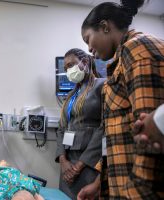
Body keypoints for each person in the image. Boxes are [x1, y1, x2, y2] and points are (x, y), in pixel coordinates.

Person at [79, 0, 164, 199]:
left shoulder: (137, 49)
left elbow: (149, 139)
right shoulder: (119, 62)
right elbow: (116, 136)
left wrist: (135, 193)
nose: (89, 49)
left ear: (104, 27)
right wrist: (98, 183)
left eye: (87, 39)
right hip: (121, 184)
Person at [55, 48, 105, 199]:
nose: (69, 70)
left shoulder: (102, 86)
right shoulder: (70, 96)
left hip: (90, 163)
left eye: (71, 65)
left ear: (85, 62)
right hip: (68, 163)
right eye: (65, 68)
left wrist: (80, 165)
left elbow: (105, 127)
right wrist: (63, 160)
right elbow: (61, 129)